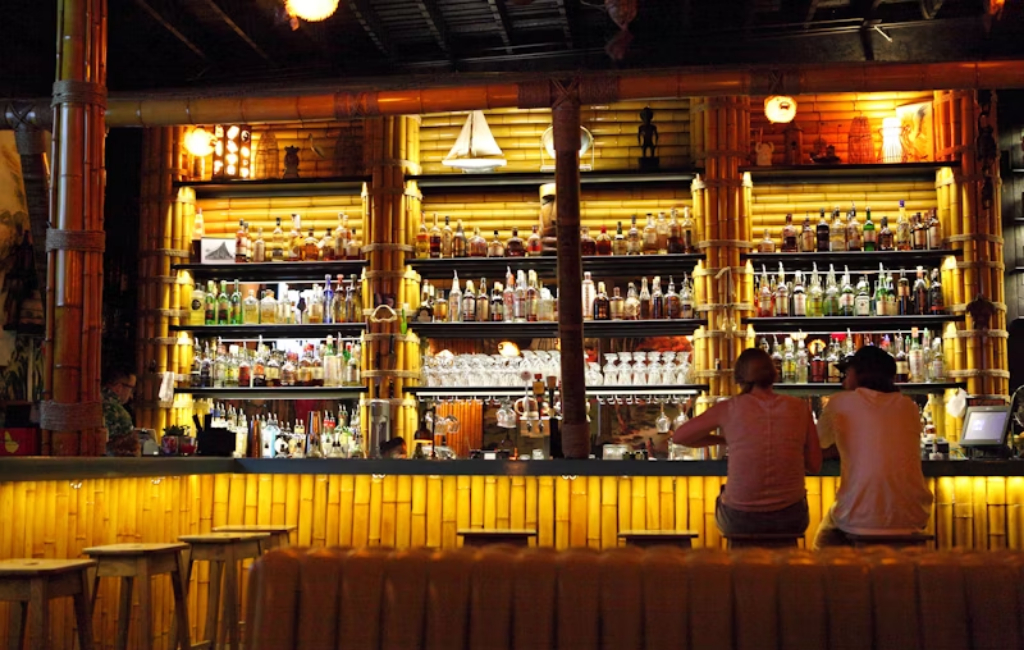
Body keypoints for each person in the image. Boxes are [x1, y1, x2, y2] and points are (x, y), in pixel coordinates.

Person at [672, 348, 821, 537]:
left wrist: (723, 440)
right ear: (775, 375)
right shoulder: (799, 408)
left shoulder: (729, 407)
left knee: (726, 498)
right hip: (790, 517)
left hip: (740, 518)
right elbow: (815, 465)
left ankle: (739, 565)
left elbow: (680, 437)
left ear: (739, 378)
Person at [813, 346, 933, 548]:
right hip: (913, 516)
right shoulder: (908, 407)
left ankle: (845, 579)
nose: (843, 380)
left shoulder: (840, 402)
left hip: (858, 518)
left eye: (846, 373)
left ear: (859, 374)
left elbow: (816, 450)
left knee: (822, 543)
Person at [102, 363, 140, 456]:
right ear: (119, 387)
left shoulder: (92, 401)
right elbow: (131, 454)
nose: (131, 396)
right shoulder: (119, 413)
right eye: (131, 389)